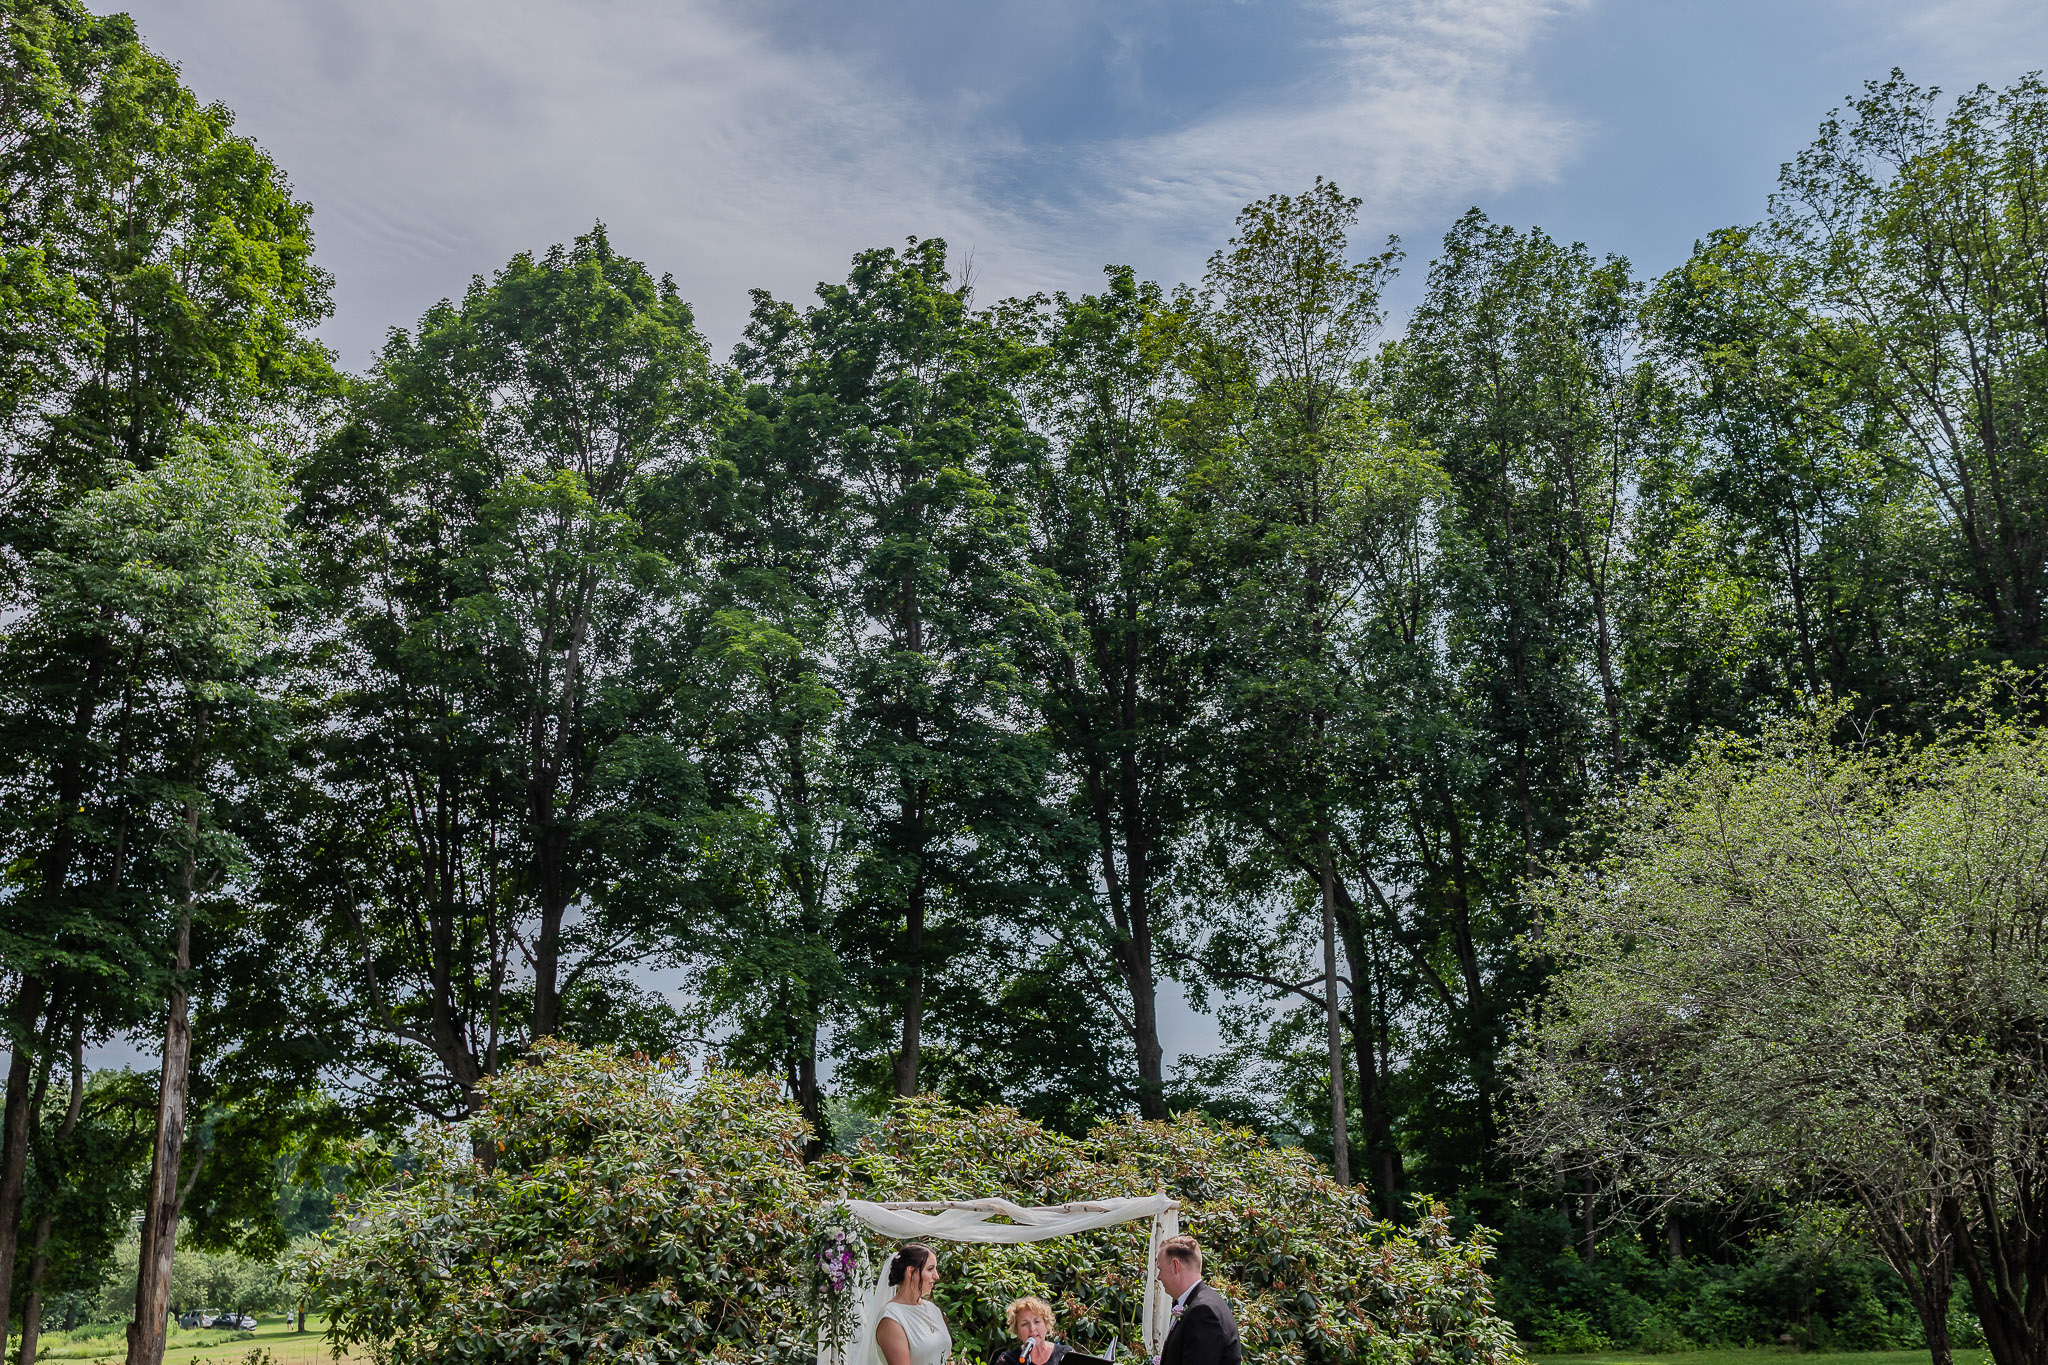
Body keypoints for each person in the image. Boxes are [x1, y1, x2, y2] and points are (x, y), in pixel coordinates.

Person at [1154, 1236, 1240, 1365]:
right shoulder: (1201, 1302)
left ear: (1176, 1265)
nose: (1158, 1277)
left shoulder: (1203, 1312)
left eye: (1160, 1269)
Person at [875, 1243, 953, 1365]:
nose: (936, 1276)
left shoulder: (933, 1309)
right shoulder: (891, 1318)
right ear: (911, 1272)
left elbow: (948, 1358)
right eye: (930, 1269)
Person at [993, 1297, 1069, 1365]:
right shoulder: (1008, 1360)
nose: (1032, 1329)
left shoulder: (1065, 1354)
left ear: (1046, 1325)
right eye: (1025, 1324)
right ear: (1017, 1332)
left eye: (1037, 1322)